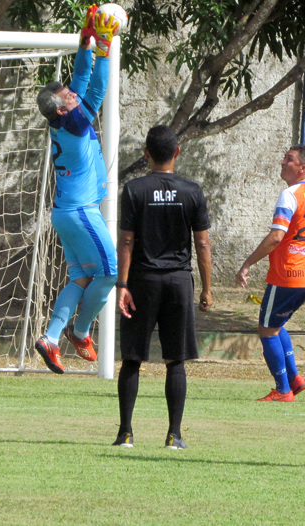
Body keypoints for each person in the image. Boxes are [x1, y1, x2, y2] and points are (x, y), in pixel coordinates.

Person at [33, 5, 121, 373]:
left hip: (65, 212)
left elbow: (82, 77)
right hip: (82, 212)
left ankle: (50, 338)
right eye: (67, 92)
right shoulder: (77, 123)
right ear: (63, 105)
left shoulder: (63, 119)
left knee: (82, 278)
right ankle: (81, 331)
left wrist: (85, 40)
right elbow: (97, 87)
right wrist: (104, 46)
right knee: (111, 273)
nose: (72, 91)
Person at [115, 125, 212, 449]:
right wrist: (207, 288)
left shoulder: (134, 190)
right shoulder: (192, 191)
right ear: (177, 153)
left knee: (132, 357)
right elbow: (202, 245)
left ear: (146, 154)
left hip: (142, 280)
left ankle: (125, 433)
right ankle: (174, 435)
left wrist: (123, 284)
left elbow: (126, 240)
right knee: (175, 360)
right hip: (178, 282)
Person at [236, 145, 305, 402]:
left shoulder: (289, 195)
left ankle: (283, 389)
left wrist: (247, 263)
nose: (282, 162)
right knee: (276, 323)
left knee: (267, 329)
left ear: (303, 167)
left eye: (289, 159)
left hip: (287, 274)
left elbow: (276, 236)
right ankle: (294, 378)